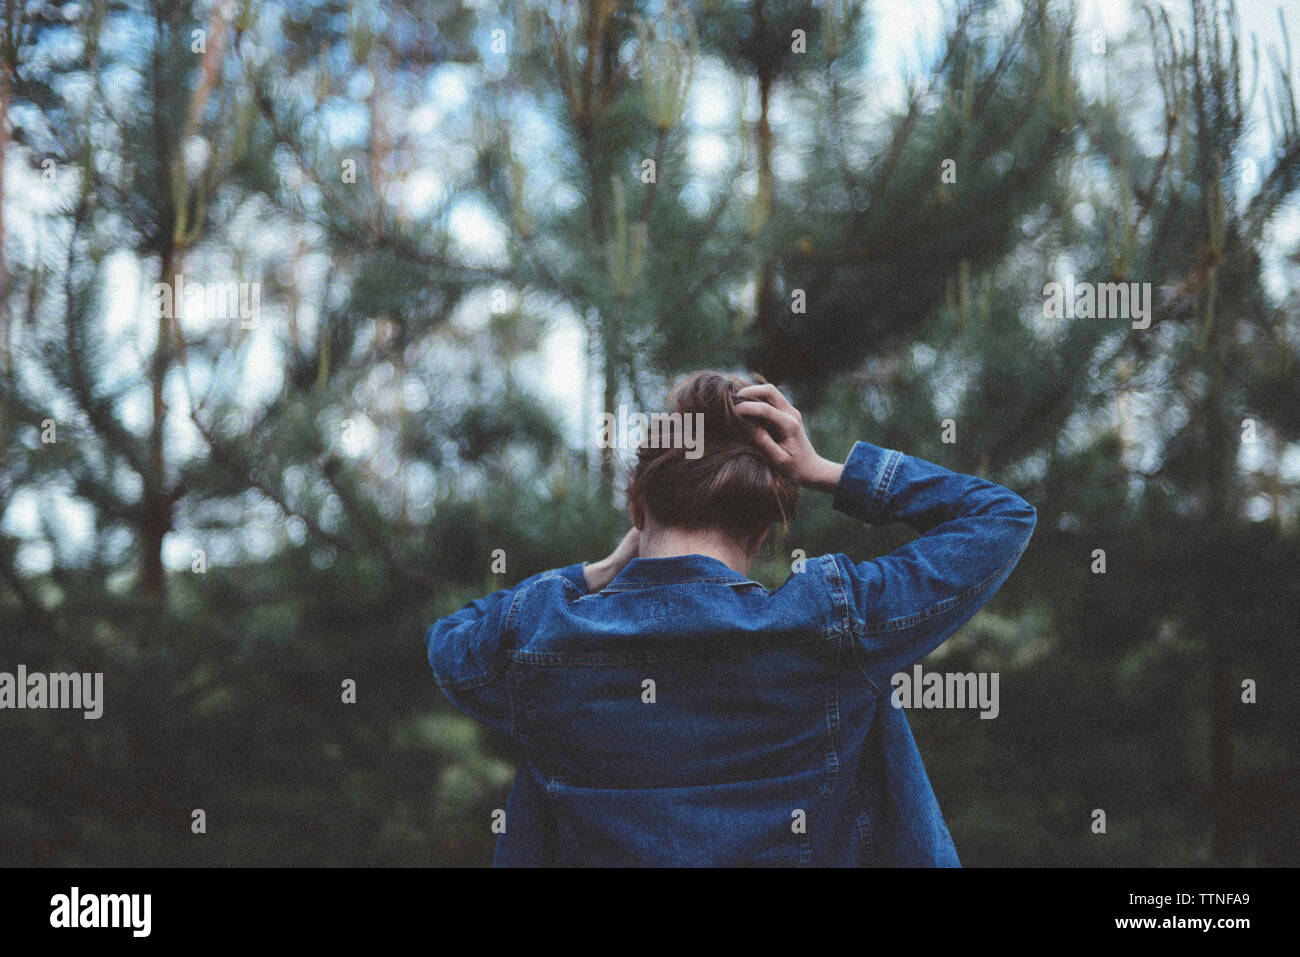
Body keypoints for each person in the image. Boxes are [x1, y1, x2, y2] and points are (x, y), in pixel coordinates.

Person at [424, 370, 1037, 866]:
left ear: (638, 506)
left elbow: (451, 644)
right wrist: (827, 470)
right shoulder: (829, 624)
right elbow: (999, 518)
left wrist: (594, 572)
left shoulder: (542, 636)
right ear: (763, 529)